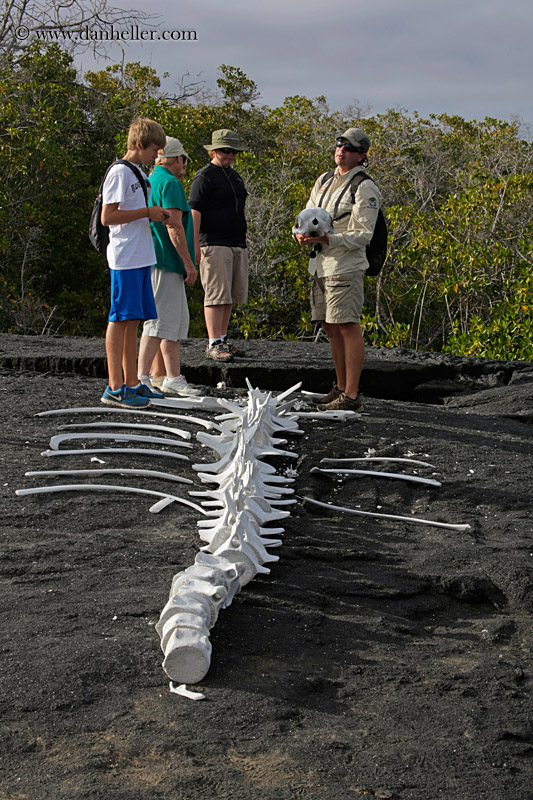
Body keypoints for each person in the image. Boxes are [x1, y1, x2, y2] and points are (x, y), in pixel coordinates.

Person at [295, 127, 382, 411]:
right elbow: (306, 216)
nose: (341, 150)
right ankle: (341, 387)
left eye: (348, 147)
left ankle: (352, 396)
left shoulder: (364, 186)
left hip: (345, 266)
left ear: (361, 156)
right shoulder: (323, 180)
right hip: (320, 266)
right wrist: (299, 233)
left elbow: (363, 234)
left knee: (347, 326)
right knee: (330, 327)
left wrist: (328, 239)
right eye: (339, 145)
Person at [100, 117, 169, 409]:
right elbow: (108, 216)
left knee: (133, 320)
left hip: (140, 255)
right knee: (120, 318)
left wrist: (149, 213)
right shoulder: (120, 172)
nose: (157, 155)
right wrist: (146, 212)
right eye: (155, 149)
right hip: (125, 256)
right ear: (139, 145)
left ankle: (131, 383)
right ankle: (115, 387)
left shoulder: (138, 172)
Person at [136, 136, 201, 397]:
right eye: (183, 160)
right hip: (165, 260)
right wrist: (189, 263)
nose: (184, 165)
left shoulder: (151, 180)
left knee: (171, 322)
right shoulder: (171, 182)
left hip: (153, 258)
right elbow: (173, 225)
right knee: (158, 321)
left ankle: (170, 376)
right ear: (177, 159)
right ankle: (141, 378)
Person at [188, 129, 248, 362]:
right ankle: (213, 342)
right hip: (213, 242)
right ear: (213, 150)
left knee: (229, 294)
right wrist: (194, 246)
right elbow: (194, 211)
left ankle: (222, 339)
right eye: (225, 150)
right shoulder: (205, 176)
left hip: (235, 242)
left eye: (233, 150)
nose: (230, 154)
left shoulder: (234, 176)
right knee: (215, 294)